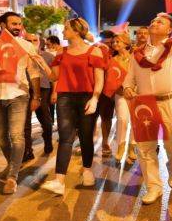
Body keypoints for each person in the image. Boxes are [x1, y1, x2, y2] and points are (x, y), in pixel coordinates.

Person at [122, 0, 172, 205]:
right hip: (145, 104)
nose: (154, 23)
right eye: (153, 21)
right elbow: (129, 80)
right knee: (145, 148)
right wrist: (127, 89)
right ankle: (153, 187)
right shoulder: (137, 54)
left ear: (170, 30)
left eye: (160, 21)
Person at [0, 12, 42, 194]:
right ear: (2, 24)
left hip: (19, 95)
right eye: (14, 23)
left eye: (19, 24)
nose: (18, 27)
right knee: (1, 137)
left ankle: (12, 177)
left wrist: (36, 96)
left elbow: (34, 73)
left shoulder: (27, 46)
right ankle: (12, 164)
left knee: (17, 136)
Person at [37, 18, 105, 195]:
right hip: (65, 97)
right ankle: (59, 180)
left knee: (85, 135)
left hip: (87, 97)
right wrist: (42, 63)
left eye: (66, 29)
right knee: (65, 137)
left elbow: (99, 79)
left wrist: (95, 98)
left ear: (76, 31)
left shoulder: (94, 51)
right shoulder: (62, 52)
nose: (63, 32)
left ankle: (87, 169)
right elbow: (53, 77)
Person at [23, 33, 56, 157]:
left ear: (39, 42)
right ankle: (28, 150)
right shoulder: (20, 55)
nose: (31, 42)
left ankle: (47, 140)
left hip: (43, 89)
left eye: (34, 40)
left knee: (45, 119)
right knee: (25, 122)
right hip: (24, 89)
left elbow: (54, 76)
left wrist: (54, 92)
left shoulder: (47, 56)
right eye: (28, 40)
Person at [107, 32, 137, 163]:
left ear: (126, 43)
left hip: (137, 93)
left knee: (136, 122)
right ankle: (120, 146)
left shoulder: (136, 58)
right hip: (120, 94)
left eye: (118, 41)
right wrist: (122, 90)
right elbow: (111, 80)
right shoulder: (112, 60)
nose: (115, 44)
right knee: (123, 119)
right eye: (113, 42)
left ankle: (132, 148)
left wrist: (134, 89)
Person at [97, 30, 116, 157]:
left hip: (108, 91)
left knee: (106, 118)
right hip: (93, 89)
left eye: (110, 43)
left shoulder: (117, 53)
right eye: (105, 43)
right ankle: (87, 142)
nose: (108, 46)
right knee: (90, 118)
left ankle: (104, 142)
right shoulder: (95, 50)